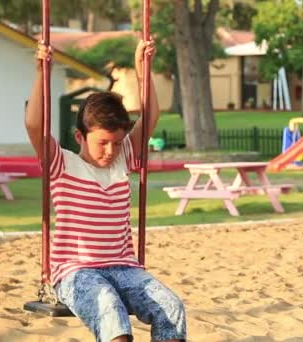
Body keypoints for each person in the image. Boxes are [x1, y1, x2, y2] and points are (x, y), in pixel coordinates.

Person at [24, 39, 186, 342]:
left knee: (171, 307)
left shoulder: (123, 157)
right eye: (102, 142)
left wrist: (142, 69)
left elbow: (149, 116)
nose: (111, 150)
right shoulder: (62, 164)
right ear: (80, 137)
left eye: (117, 141)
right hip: (77, 272)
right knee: (110, 311)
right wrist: (41, 74)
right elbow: (35, 125)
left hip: (124, 267)